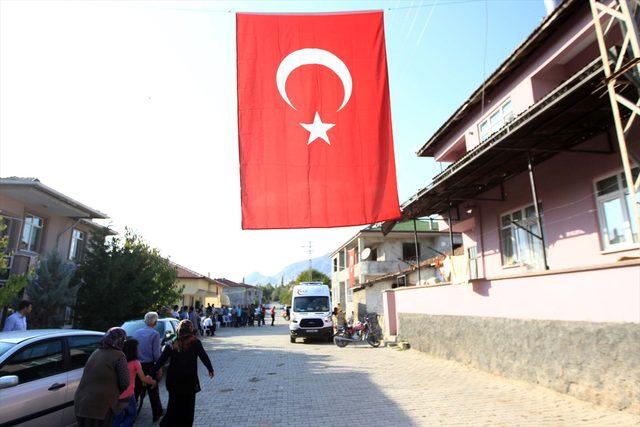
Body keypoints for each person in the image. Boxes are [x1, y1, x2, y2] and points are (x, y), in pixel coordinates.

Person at [153, 320, 214, 427]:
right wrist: (210, 369)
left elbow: (161, 360)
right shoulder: (195, 342)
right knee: (188, 408)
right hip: (189, 380)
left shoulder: (172, 343)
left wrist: (151, 373)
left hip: (173, 380)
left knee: (173, 406)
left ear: (179, 329)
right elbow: (203, 356)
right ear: (190, 329)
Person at [75, 328, 130, 427]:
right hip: (101, 406)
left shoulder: (96, 352)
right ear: (121, 340)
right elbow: (125, 382)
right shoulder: (119, 356)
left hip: (81, 403)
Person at [112, 339, 156, 427]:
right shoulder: (136, 363)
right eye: (137, 348)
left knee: (118, 418)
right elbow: (143, 378)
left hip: (116, 395)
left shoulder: (119, 360)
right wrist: (152, 381)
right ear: (134, 350)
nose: (139, 350)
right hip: (128, 395)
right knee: (132, 415)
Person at [132, 312, 164, 422]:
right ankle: (157, 414)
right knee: (153, 390)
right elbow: (156, 354)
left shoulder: (136, 333)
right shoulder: (155, 334)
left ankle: (131, 415)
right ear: (155, 322)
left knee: (136, 390)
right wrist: (159, 368)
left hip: (137, 365)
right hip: (149, 366)